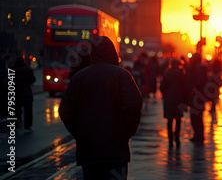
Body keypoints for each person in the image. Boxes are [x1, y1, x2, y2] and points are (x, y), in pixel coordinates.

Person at [59, 36, 142, 180]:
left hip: (89, 150)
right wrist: (125, 133)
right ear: (113, 53)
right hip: (115, 150)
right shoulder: (122, 76)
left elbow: (65, 111)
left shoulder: (79, 77)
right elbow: (133, 106)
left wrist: (80, 133)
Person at [160, 59, 187, 147]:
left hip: (169, 98)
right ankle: (177, 138)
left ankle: (170, 140)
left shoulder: (167, 73)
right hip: (179, 98)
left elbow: (162, 87)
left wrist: (165, 94)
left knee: (170, 119)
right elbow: (184, 87)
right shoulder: (181, 74)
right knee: (178, 119)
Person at [185, 53, 207, 143]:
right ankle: (199, 135)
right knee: (198, 117)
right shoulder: (199, 67)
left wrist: (193, 89)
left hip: (196, 96)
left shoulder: (197, 68)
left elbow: (198, 81)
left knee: (195, 117)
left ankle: (198, 135)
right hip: (199, 96)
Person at [11, 56, 36, 131]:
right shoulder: (28, 69)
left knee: (16, 111)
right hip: (27, 92)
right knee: (28, 111)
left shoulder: (13, 70)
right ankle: (27, 126)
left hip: (16, 93)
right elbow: (33, 79)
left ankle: (15, 126)